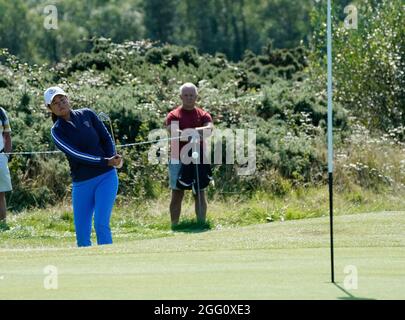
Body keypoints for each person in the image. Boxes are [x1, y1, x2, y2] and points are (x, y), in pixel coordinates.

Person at [45, 86, 122, 247]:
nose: (61, 104)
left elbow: (106, 138)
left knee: (101, 223)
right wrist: (105, 161)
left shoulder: (87, 114)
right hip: (82, 183)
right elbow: (76, 155)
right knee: (82, 234)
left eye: (62, 99)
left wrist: (112, 158)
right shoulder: (57, 131)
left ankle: (110, 265)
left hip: (106, 177)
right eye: (55, 103)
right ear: (49, 108)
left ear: (68, 98)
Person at [165, 83, 213, 227]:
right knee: (177, 193)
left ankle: (201, 223)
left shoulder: (203, 114)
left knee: (199, 192)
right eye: (186, 95)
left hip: (198, 159)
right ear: (181, 97)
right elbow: (173, 132)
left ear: (196, 97)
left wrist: (186, 133)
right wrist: (194, 133)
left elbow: (209, 130)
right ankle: (174, 225)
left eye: (192, 95)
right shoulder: (173, 115)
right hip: (177, 158)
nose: (189, 98)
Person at [0, 107, 12, 231]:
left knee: (0, 194)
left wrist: (6, 156)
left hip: (0, 156)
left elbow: (7, 135)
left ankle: (2, 225)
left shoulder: (1, 112)